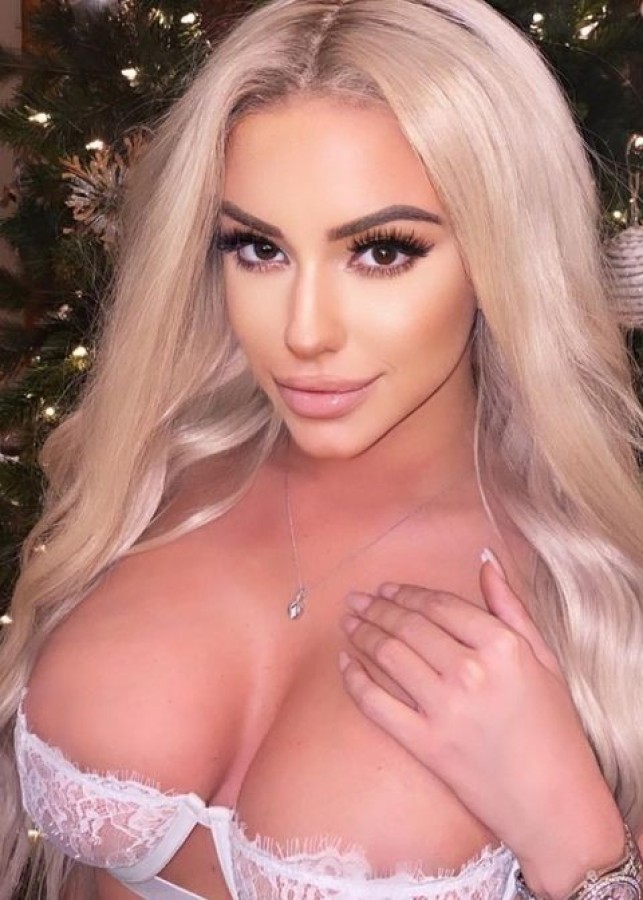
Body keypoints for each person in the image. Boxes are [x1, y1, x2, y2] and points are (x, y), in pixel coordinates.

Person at [1, 0, 642, 898]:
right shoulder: (150, 481)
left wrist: (573, 834)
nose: (303, 332)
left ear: (502, 254)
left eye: (380, 253)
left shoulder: (596, 602)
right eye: (257, 248)